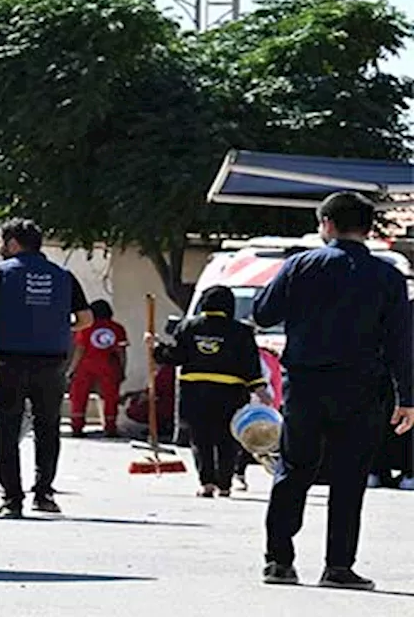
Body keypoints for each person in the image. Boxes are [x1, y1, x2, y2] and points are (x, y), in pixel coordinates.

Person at [254, 192, 414, 591]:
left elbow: (263, 314)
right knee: (349, 476)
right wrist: (407, 397)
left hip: (305, 386)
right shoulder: (388, 277)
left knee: (294, 470)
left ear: (326, 224)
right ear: (368, 228)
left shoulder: (300, 266)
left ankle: (279, 561)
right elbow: (400, 342)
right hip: (362, 389)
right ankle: (338, 566)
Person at [0, 218, 94, 517]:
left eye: (1, 242)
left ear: (12, 244)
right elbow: (86, 320)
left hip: (7, 362)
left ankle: (12, 499)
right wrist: (57, 324)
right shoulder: (63, 275)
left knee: (6, 430)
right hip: (51, 363)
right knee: (48, 428)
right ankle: (44, 493)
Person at [148, 286, 269, 498]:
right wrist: (260, 389)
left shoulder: (188, 327)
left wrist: (155, 346)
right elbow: (250, 364)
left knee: (201, 439)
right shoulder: (241, 332)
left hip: (194, 392)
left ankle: (207, 483)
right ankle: (224, 484)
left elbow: (175, 356)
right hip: (230, 393)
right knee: (228, 438)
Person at [68, 299, 128, 438]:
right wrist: (122, 370)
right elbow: (121, 352)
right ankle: (110, 428)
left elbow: (80, 349)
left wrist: (71, 370)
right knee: (110, 397)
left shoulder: (86, 327)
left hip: (86, 365)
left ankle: (77, 427)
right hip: (109, 365)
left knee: (79, 396)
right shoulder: (117, 328)